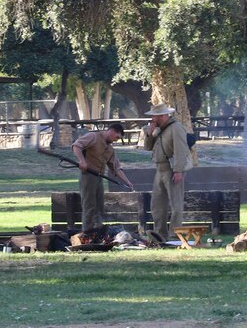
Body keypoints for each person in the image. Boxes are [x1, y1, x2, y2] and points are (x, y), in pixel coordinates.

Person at [71, 123, 133, 232]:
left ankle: (97, 231)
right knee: (89, 207)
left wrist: (127, 182)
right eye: (117, 137)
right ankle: (87, 233)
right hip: (87, 177)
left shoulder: (110, 149)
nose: (116, 140)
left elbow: (117, 168)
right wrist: (82, 161)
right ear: (112, 131)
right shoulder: (93, 136)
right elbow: (77, 145)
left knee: (99, 207)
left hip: (99, 178)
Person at [142, 102, 191, 241]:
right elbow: (147, 147)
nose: (152, 119)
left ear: (162, 116)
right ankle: (160, 234)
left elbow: (181, 150)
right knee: (157, 204)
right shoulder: (158, 129)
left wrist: (178, 170)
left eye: (154, 116)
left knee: (176, 204)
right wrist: (149, 134)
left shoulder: (176, 128)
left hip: (172, 169)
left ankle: (174, 234)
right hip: (160, 169)